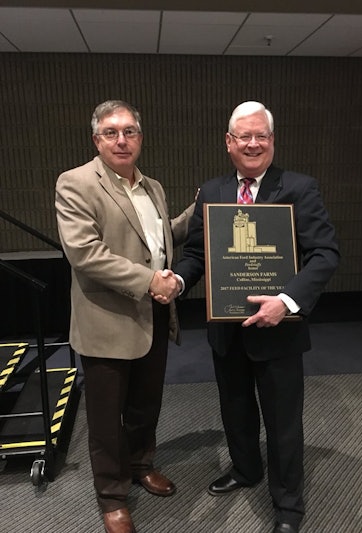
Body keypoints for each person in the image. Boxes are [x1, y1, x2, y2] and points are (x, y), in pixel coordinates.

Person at [173, 101, 340, 533]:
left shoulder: (299, 188)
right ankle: (246, 470)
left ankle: (288, 508)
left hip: (279, 330)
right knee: (236, 409)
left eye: (260, 135)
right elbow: (196, 253)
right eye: (243, 136)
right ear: (229, 142)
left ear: (271, 140)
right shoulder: (212, 193)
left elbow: (325, 254)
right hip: (225, 330)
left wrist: (286, 300)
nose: (252, 143)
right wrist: (177, 281)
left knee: (283, 423)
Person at [55, 100, 194, 533]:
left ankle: (140, 465)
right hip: (106, 320)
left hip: (152, 316)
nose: (122, 139)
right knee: (105, 417)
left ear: (140, 138)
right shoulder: (76, 183)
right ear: (97, 139)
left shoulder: (151, 186)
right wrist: (152, 282)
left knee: (144, 405)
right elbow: (85, 254)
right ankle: (112, 497)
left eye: (130, 131)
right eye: (111, 132)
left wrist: (201, 210)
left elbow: (158, 238)